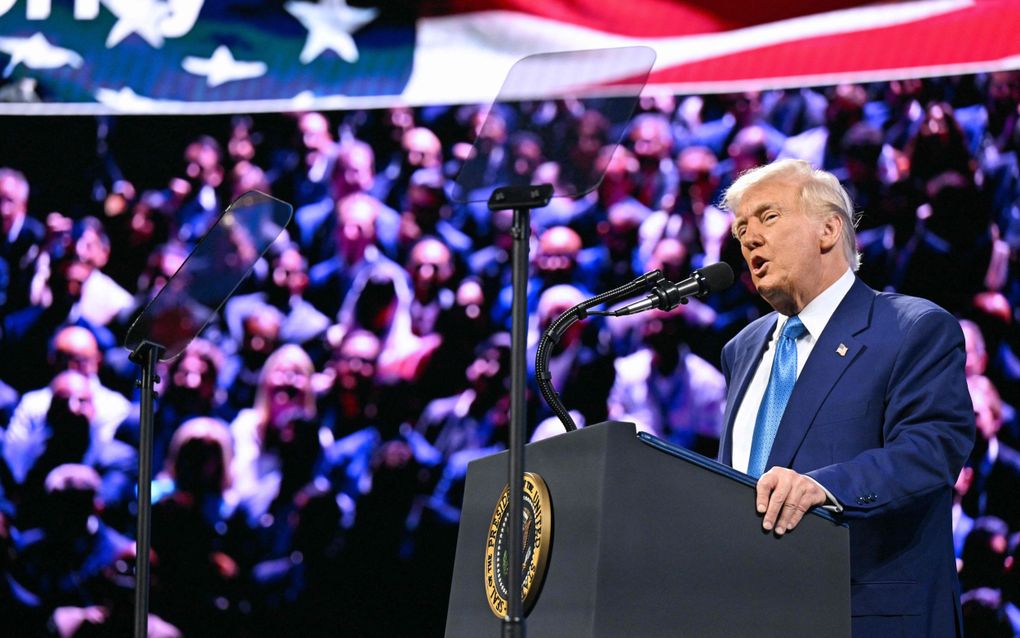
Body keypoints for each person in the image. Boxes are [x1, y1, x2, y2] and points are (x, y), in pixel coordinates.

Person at [718, 159, 974, 636]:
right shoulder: (743, 349)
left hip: (865, 616)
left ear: (829, 229)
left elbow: (933, 449)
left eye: (768, 217)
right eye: (741, 229)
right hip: (756, 613)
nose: (749, 238)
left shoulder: (910, 327)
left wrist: (826, 487)